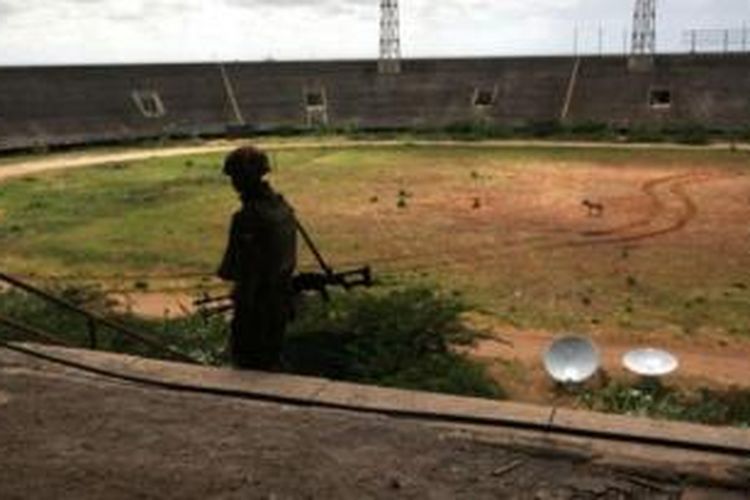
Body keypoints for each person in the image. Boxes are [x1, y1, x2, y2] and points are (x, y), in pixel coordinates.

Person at [217, 146, 297, 370]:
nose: (233, 183)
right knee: (271, 361)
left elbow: (232, 270)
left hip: (255, 308)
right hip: (280, 301)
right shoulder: (284, 208)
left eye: (234, 177)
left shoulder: (247, 218)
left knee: (249, 368)